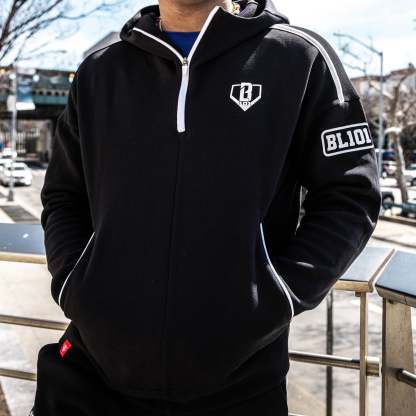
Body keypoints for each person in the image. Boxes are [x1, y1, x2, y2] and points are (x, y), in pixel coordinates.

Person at [31, 0, 381, 415]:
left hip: (240, 386)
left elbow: (350, 195)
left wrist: (279, 296)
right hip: (89, 378)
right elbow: (63, 196)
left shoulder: (300, 59)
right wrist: (73, 286)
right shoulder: (98, 71)